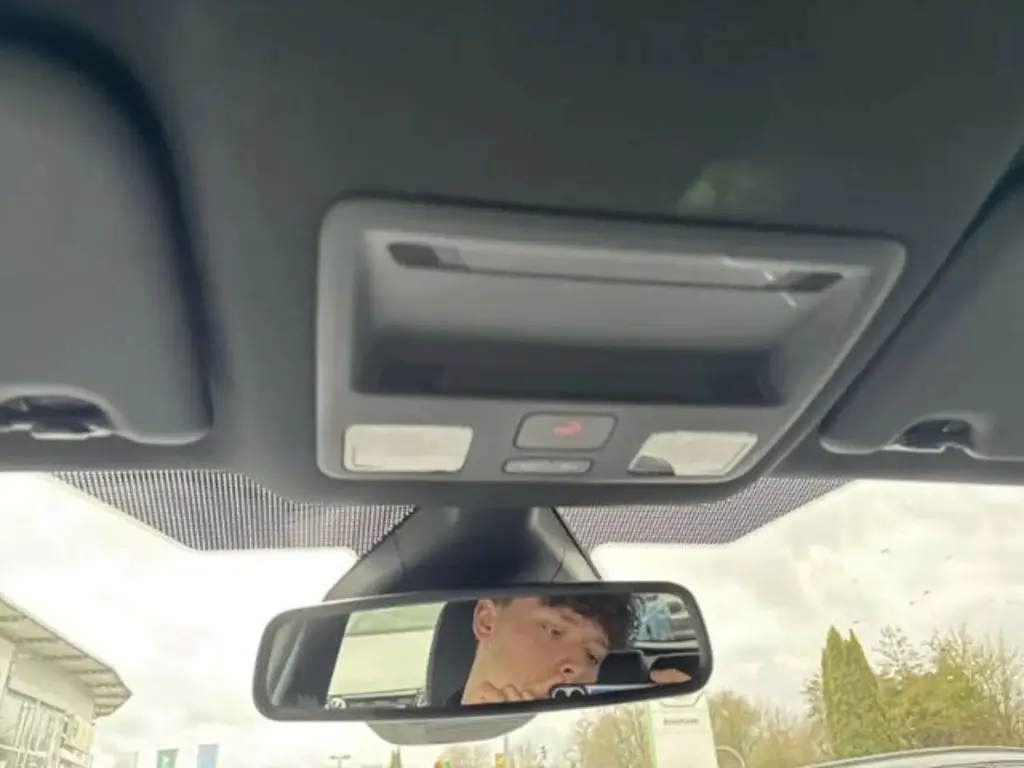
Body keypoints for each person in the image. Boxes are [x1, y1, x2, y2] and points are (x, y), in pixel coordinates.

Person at [458, 594, 689, 704]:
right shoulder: (443, 746)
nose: (576, 667)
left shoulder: (586, 741)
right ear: (486, 622)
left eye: (592, 656)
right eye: (554, 631)